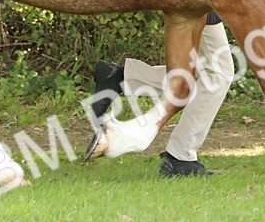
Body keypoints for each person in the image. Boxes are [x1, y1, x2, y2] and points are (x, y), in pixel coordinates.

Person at [88, 12, 235, 177]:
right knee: (218, 74)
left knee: (205, 74)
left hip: (205, 2)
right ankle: (180, 157)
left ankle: (120, 77)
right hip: (204, 2)